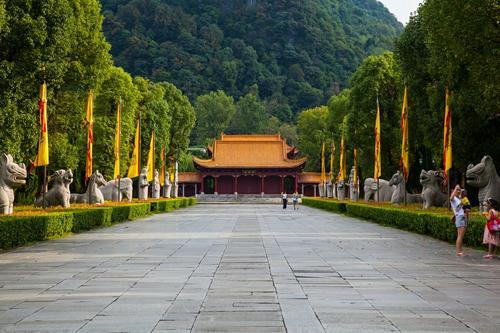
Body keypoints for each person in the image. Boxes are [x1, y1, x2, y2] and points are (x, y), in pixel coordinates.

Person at [450, 184, 467, 256]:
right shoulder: (453, 198)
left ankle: (460, 251)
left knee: (461, 236)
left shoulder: (458, 199)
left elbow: (457, 209)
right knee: (460, 235)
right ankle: (459, 252)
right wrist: (456, 188)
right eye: (457, 189)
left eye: (459, 189)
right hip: (460, 217)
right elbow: (451, 198)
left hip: (461, 217)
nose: (459, 191)